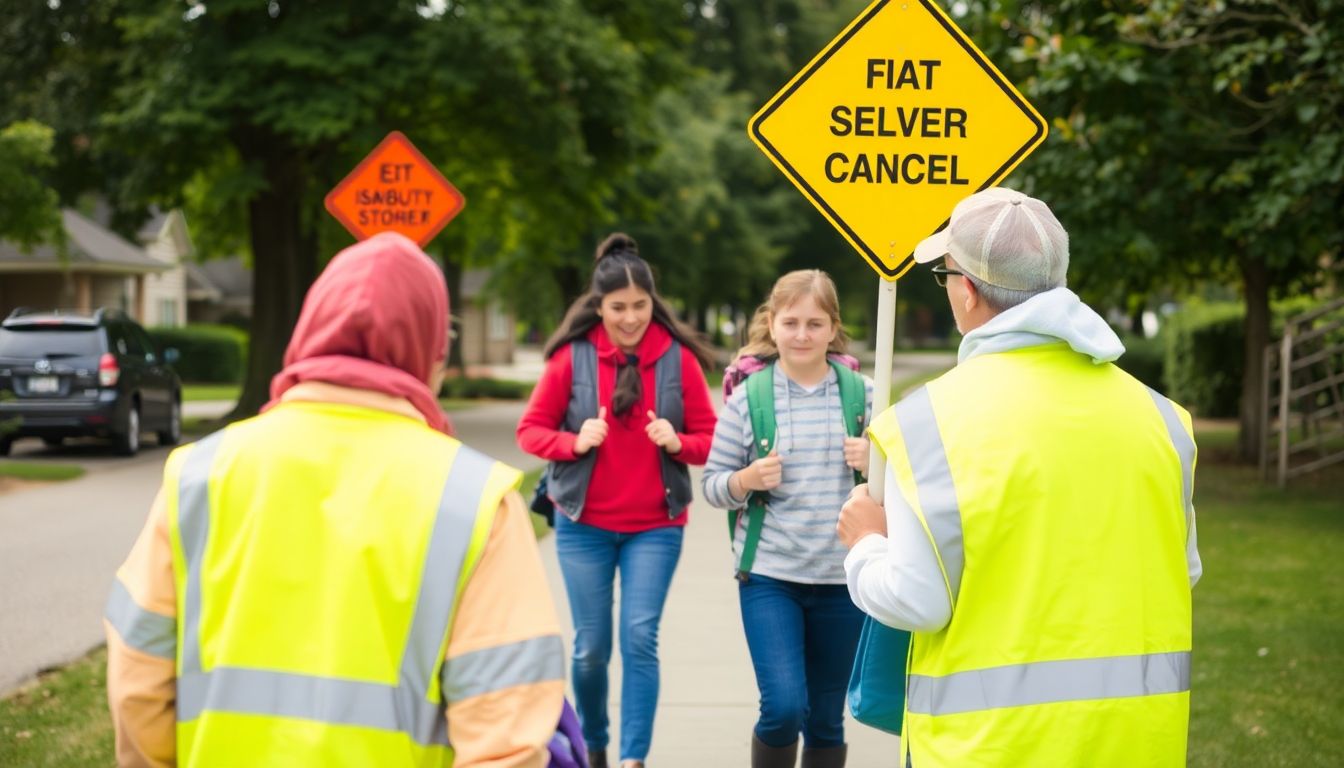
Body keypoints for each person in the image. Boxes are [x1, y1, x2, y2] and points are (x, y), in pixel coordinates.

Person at [104, 232, 566, 767]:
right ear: (431, 352)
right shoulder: (476, 502)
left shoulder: (198, 476)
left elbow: (137, 681)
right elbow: (506, 732)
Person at [838, 187, 1202, 767]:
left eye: (946, 275)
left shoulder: (926, 425)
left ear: (968, 291)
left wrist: (865, 544)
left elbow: (916, 601)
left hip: (987, 748)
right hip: (1137, 744)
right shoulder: (1164, 420)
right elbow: (1181, 571)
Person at [516, 233, 717, 768]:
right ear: (599, 306)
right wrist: (574, 442)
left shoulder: (677, 362)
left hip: (656, 524)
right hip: (583, 524)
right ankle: (597, 744)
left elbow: (712, 438)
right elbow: (530, 431)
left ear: (655, 303)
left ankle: (633, 759)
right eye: (618, 308)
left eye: (640, 306)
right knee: (590, 648)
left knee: (639, 638)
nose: (630, 318)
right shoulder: (571, 360)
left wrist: (678, 442)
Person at [702, 270, 874, 768]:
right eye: (791, 322)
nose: (802, 335)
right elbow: (712, 485)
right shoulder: (747, 398)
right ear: (772, 325)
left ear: (832, 328)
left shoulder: (863, 395)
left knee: (825, 717)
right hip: (770, 577)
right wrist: (746, 480)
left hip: (842, 580)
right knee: (781, 707)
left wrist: (875, 462)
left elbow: (905, 485)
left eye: (815, 323)